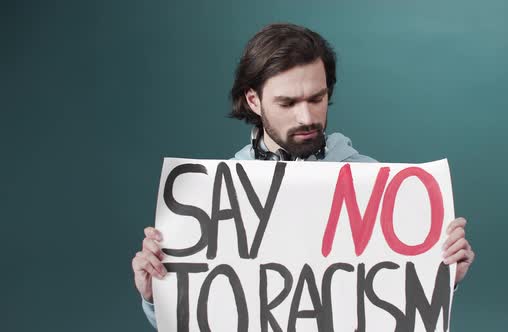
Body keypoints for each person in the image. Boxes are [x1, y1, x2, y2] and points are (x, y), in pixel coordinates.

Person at [131, 23, 476, 328]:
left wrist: (442, 277)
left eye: (317, 98)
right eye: (287, 103)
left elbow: (392, 308)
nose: (306, 117)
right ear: (253, 100)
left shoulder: (376, 185)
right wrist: (155, 294)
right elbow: (203, 315)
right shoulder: (215, 197)